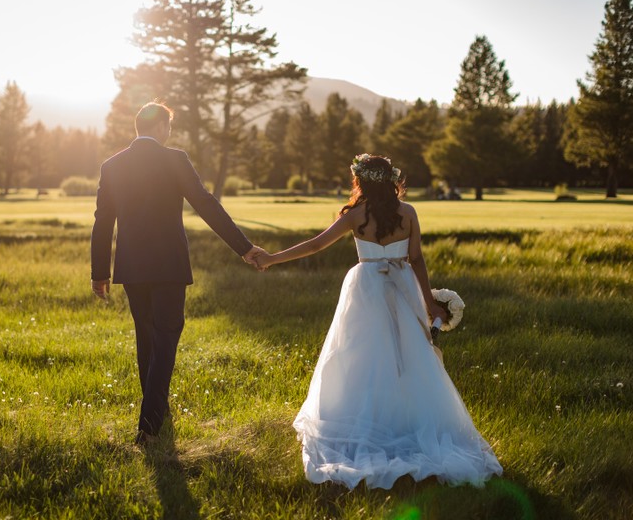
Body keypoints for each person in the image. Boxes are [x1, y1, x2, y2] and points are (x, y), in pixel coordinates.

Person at [254, 154, 502, 489]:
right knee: (409, 357)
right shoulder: (409, 212)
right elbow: (416, 259)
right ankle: (406, 423)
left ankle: (369, 422)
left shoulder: (355, 215)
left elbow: (315, 245)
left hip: (365, 288)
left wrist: (272, 258)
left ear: (361, 181)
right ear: (391, 180)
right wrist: (429, 304)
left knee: (362, 356)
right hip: (403, 287)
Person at [91, 102, 264, 445]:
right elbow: (206, 204)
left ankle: (158, 413)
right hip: (169, 265)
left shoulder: (112, 166)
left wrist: (100, 272)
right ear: (161, 129)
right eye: (168, 127)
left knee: (147, 338)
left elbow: (102, 222)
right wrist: (244, 248)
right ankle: (150, 425)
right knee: (166, 337)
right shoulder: (175, 160)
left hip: (132, 267)